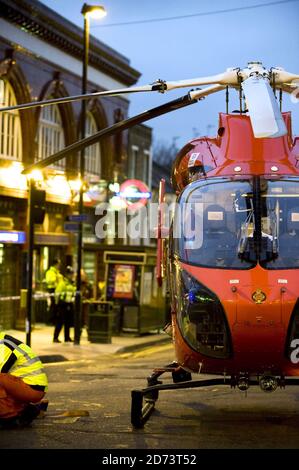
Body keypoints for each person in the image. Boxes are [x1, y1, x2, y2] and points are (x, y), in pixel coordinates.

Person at [0, 332, 48, 429]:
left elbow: (2, 372)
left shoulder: (4, 345)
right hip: (28, 386)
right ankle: (27, 410)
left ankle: (9, 418)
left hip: (32, 388)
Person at [53, 266, 76, 343]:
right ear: (66, 274)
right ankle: (55, 338)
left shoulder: (71, 284)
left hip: (69, 304)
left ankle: (67, 337)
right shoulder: (62, 283)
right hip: (62, 304)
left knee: (68, 322)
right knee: (60, 322)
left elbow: (73, 293)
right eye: (70, 274)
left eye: (72, 274)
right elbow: (57, 293)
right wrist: (56, 305)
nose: (71, 275)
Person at [45, 258, 62, 325]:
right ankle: (50, 320)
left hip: (57, 290)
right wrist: (56, 278)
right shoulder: (50, 272)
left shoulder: (57, 272)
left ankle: (54, 320)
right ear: (55, 264)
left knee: (56, 306)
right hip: (52, 289)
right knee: (53, 305)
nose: (60, 265)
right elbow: (48, 281)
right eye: (59, 264)